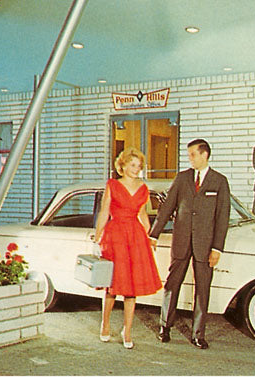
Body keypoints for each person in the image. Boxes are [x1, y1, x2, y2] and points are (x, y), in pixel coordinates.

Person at [149, 139, 230, 349]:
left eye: (193, 154)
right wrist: (154, 234)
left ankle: (198, 335)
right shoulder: (182, 178)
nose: (189, 158)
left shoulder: (219, 181)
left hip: (205, 245)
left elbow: (222, 217)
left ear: (205, 155)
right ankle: (165, 326)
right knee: (172, 284)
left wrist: (217, 248)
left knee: (203, 290)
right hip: (182, 241)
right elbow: (167, 208)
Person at [94, 147, 162, 349]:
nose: (136, 169)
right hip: (115, 236)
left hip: (135, 237)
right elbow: (104, 212)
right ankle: (105, 324)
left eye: (139, 166)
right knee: (112, 286)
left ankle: (128, 330)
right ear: (122, 166)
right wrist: (97, 237)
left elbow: (142, 213)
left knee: (131, 289)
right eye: (132, 165)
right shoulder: (113, 185)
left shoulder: (143, 187)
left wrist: (149, 234)